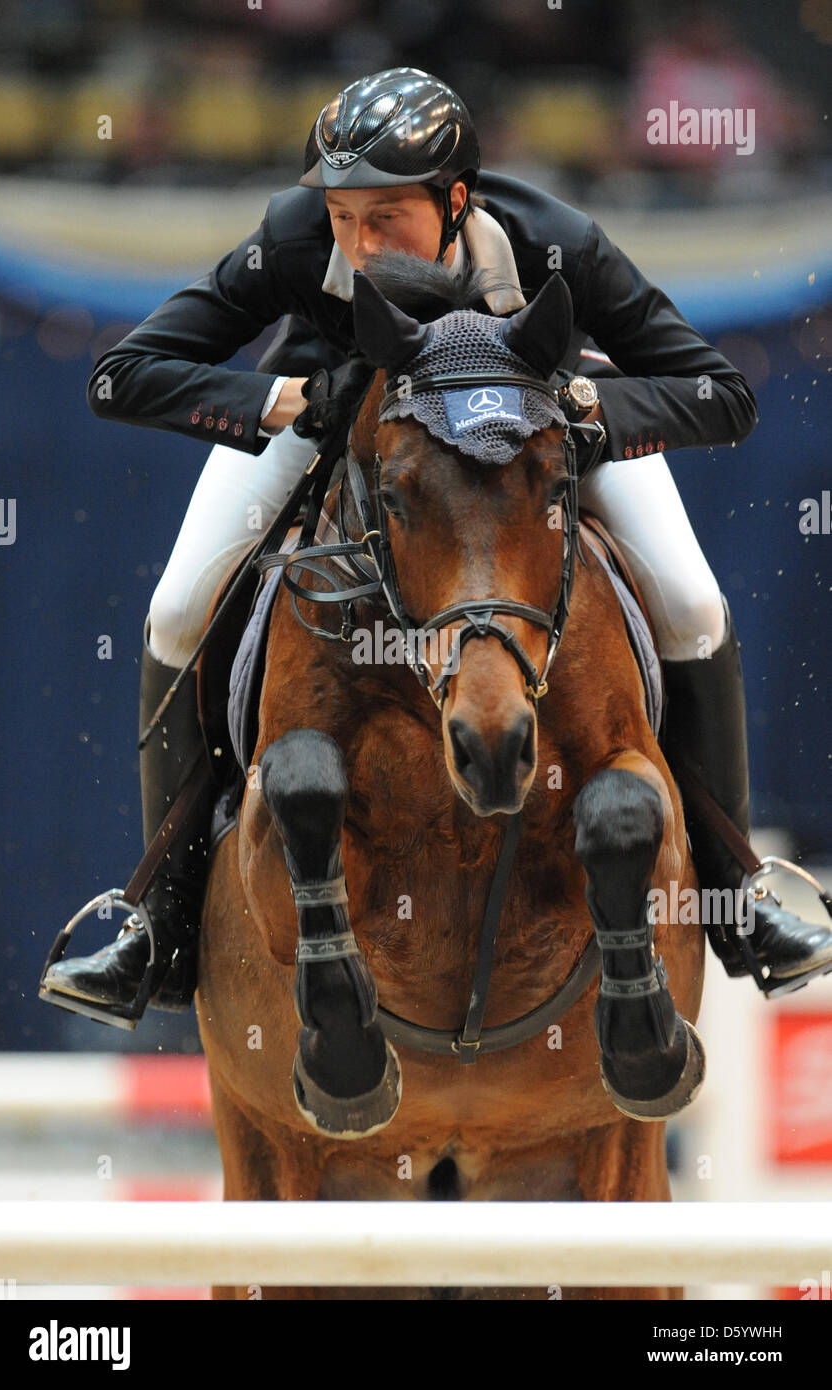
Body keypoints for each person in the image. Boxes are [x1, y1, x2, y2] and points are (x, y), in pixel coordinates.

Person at [41, 67, 832, 1027]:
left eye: (385, 218)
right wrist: (278, 401)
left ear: (457, 200)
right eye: (340, 216)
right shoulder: (293, 243)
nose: (359, 244)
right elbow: (121, 376)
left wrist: (578, 408)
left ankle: (738, 892)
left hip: (536, 435)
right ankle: (157, 916)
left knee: (694, 600)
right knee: (174, 608)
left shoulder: (556, 246)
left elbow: (721, 394)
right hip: (336, 421)